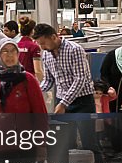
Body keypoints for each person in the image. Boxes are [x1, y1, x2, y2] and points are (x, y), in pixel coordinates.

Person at [33, 22, 96, 153]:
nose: (42, 47)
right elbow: (48, 80)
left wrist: (63, 103)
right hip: (61, 101)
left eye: (44, 43)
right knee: (65, 141)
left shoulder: (74, 49)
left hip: (82, 101)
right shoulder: (46, 54)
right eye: (40, 44)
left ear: (54, 37)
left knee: (88, 140)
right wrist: (35, 92)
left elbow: (80, 78)